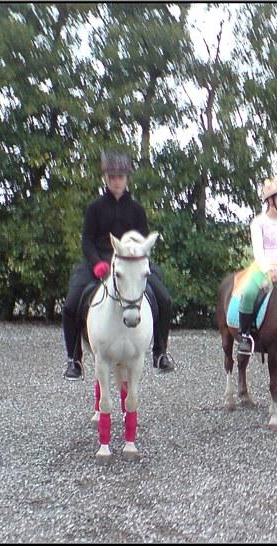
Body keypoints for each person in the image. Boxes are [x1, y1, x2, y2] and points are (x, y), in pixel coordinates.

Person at [61, 150, 174, 380]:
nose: (116, 181)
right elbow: (86, 241)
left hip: (131, 263)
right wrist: (96, 264)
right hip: (100, 261)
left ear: (126, 179)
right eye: (112, 177)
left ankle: (160, 352)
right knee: (71, 304)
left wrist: (140, 262)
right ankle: (74, 359)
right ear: (106, 179)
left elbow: (143, 242)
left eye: (120, 177)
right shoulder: (94, 208)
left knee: (164, 298)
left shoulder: (137, 210)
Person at [236, 176, 277, 356]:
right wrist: (269, 271)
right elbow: (258, 250)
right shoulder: (258, 222)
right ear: (271, 201)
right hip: (264, 267)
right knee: (248, 293)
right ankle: (245, 335)